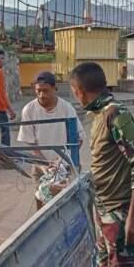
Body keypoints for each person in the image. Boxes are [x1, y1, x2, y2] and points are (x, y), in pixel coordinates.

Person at [70, 62, 134, 267]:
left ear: (80, 91)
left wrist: (132, 218)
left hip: (122, 214)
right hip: (107, 214)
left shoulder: (116, 115)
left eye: (74, 91)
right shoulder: (99, 113)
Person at [17, 71, 85, 207]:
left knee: (69, 205)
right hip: (40, 165)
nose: (42, 95)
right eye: (38, 91)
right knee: (42, 206)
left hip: (67, 164)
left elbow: (78, 139)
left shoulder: (66, 108)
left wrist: (61, 161)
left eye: (46, 91)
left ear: (55, 88)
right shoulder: (29, 110)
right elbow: (31, 144)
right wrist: (45, 165)